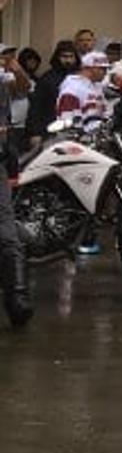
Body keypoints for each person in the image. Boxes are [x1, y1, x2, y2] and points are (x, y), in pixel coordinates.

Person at [0, 48, 32, 329]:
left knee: (8, 232)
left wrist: (14, 65)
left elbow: (23, 87)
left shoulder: (4, 79)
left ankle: (16, 298)